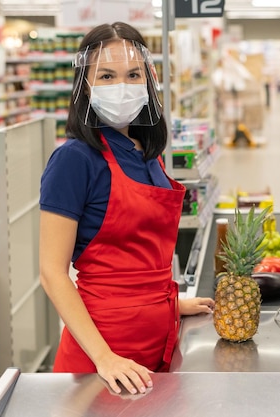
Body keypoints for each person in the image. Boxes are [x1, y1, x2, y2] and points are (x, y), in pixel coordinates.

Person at [39, 22, 214, 396]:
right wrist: (105, 358)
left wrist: (166, 305)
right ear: (84, 86)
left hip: (157, 342)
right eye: (106, 75)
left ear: (148, 80)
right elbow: (52, 273)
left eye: (133, 74)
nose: (122, 85)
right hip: (103, 356)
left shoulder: (145, 150)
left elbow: (140, 253)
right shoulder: (74, 159)